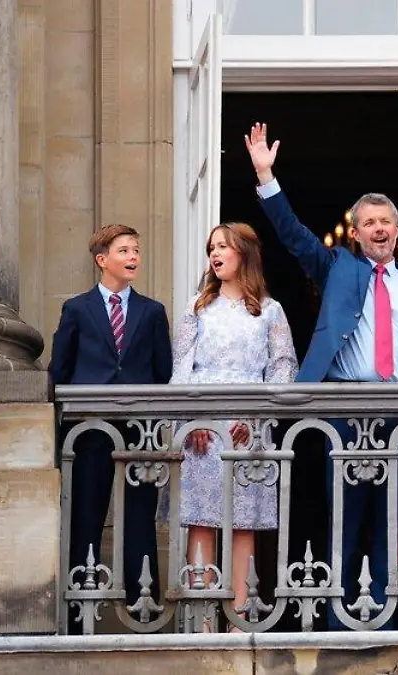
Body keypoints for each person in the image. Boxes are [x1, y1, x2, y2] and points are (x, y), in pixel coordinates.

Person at [244, 123, 398, 629]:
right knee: (344, 517)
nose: (379, 229)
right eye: (369, 222)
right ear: (354, 232)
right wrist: (267, 176)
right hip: (345, 409)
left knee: (389, 522)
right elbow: (292, 235)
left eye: (387, 222)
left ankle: (380, 622)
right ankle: (338, 624)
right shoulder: (337, 266)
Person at [170, 222, 298, 631]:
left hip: (250, 423)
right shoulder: (196, 307)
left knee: (245, 521)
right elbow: (181, 368)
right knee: (202, 517)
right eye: (212, 247)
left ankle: (240, 616)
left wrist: (256, 416)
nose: (215, 253)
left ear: (244, 252)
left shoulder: (270, 309)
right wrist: (192, 420)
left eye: (223, 246)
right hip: (203, 425)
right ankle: (204, 618)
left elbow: (283, 368)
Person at [50, 224, 173, 634]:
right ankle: (78, 607)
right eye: (124, 250)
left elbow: (162, 372)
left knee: (140, 514)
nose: (133, 256)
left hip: (140, 428)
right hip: (89, 429)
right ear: (103, 260)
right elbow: (60, 370)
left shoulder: (152, 311)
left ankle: (144, 603)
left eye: (136, 250)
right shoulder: (77, 309)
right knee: (86, 512)